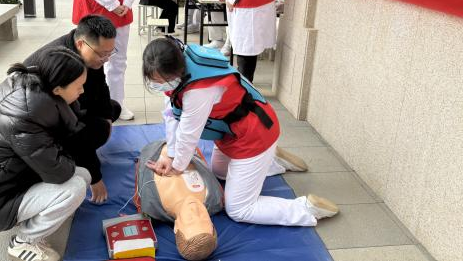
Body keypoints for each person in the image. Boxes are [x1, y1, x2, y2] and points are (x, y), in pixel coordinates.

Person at [142, 38, 339, 231]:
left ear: (176, 72)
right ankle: (272, 160)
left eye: (161, 81)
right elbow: (172, 114)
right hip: (231, 132)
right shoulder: (179, 62)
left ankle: (306, 208)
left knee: (239, 209)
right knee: (219, 173)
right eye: (154, 81)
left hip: (255, 135)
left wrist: (177, 165)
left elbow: (188, 134)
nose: (159, 86)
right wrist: (170, 154)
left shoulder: (198, 91)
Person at [0, 47, 92, 261]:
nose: (82, 91)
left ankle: (36, 215)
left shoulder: (35, 100)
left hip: (3, 185)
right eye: (79, 86)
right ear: (57, 89)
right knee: (74, 188)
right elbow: (59, 173)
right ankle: (23, 242)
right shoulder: (27, 120)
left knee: (83, 175)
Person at [24, 15, 120, 203]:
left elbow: (101, 86)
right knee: (96, 131)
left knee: (112, 109)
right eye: (102, 54)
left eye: (110, 53)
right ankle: (70, 158)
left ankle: (79, 153)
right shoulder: (61, 65)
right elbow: (71, 128)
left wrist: (107, 119)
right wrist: (95, 176)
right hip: (42, 127)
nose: (106, 59)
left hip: (66, 110)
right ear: (81, 44)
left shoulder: (91, 55)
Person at [137, 140, 223, 260]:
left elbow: (145, 165)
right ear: (212, 224)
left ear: (176, 227)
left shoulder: (153, 204)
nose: (195, 210)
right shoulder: (215, 197)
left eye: (191, 219)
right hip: (185, 143)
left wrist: (165, 157)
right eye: (203, 218)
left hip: (161, 146)